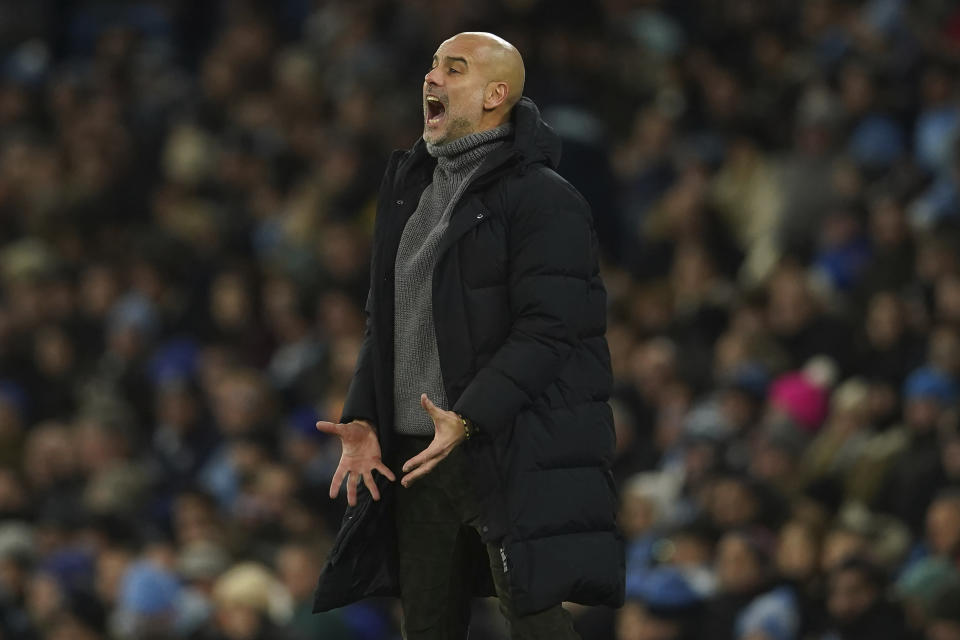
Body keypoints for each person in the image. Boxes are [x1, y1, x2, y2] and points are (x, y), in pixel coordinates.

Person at [310, 31, 624, 639]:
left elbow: (550, 329)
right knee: (427, 625)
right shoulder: (410, 187)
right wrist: (367, 417)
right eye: (431, 67)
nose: (431, 78)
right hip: (416, 454)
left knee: (533, 617)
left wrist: (469, 416)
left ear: (494, 94)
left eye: (453, 70)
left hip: (503, 445)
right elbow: (387, 317)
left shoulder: (543, 199)